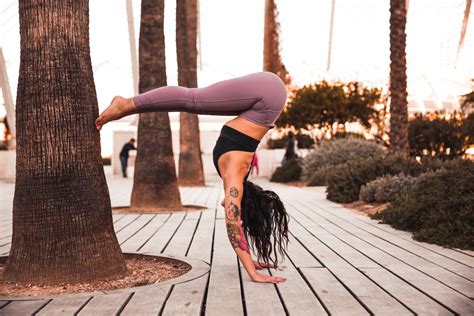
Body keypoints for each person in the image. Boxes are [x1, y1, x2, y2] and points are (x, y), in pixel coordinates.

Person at [95, 71, 289, 284]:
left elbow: (234, 214)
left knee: (191, 101)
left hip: (265, 100)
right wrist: (252, 272)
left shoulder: (237, 180)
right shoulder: (235, 179)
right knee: (191, 99)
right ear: (244, 201)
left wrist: (252, 259)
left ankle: (128, 104)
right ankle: (126, 104)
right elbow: (234, 226)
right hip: (267, 95)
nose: (227, 204)